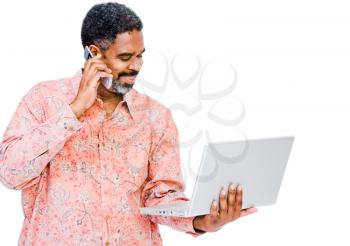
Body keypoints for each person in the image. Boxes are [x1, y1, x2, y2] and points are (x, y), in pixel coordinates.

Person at [0, 2, 257, 245]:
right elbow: (10, 174)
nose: (136, 66)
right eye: (125, 57)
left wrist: (205, 221)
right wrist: (75, 110)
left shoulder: (156, 117)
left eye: (140, 56)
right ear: (94, 53)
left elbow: (161, 199)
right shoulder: (44, 100)